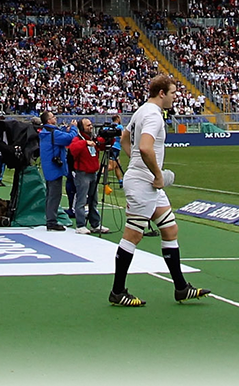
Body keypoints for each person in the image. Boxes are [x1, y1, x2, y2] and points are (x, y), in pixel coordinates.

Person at [109, 75, 209, 307]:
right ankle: (117, 291)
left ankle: (181, 287)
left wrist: (135, 163)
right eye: (173, 93)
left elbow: (125, 138)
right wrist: (156, 174)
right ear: (162, 93)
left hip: (142, 178)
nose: (175, 97)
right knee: (133, 234)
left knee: (170, 228)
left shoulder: (141, 111)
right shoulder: (153, 115)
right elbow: (144, 147)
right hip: (144, 182)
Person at [66, 119, 107, 234]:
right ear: (82, 127)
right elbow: (73, 149)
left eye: (91, 125)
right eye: (88, 125)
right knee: (82, 200)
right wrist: (85, 143)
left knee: (93, 200)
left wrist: (110, 137)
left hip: (93, 172)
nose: (91, 127)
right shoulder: (78, 139)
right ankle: (80, 224)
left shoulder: (92, 139)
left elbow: (103, 145)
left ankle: (95, 224)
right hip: (82, 173)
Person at [39, 112, 76, 231]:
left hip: (49, 167)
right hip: (54, 168)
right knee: (54, 195)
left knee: (50, 195)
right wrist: (73, 128)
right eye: (53, 117)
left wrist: (65, 129)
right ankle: (52, 221)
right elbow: (69, 139)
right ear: (49, 121)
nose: (55, 118)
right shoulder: (53, 133)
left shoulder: (46, 132)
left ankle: (50, 219)